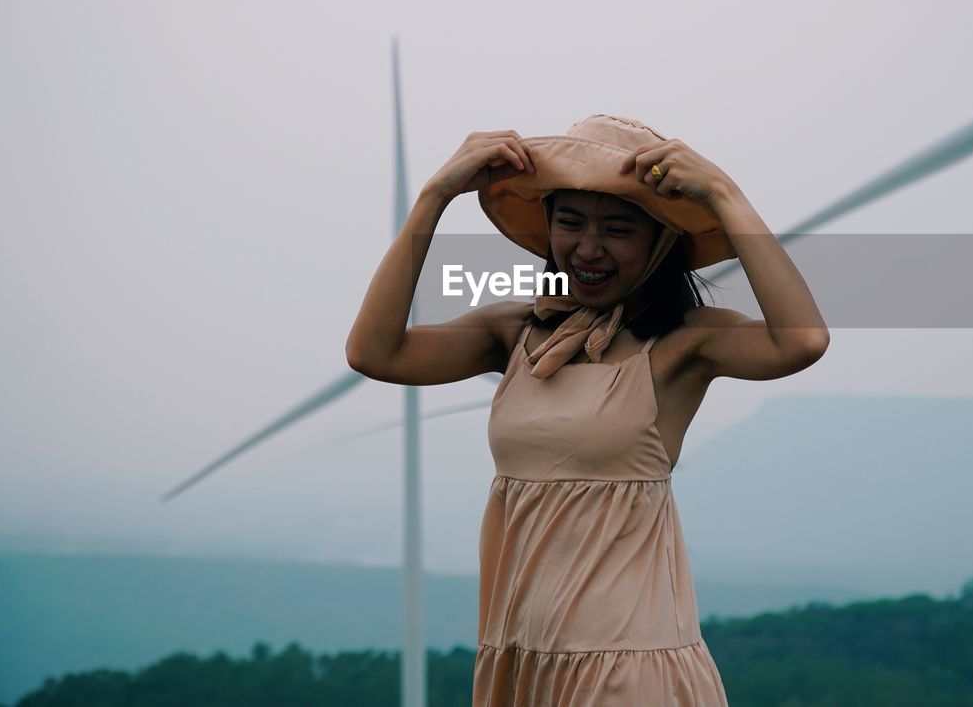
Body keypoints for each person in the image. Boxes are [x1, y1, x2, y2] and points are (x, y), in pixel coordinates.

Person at [346, 113, 829, 706]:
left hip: (627, 671)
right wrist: (433, 197)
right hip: (524, 662)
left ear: (661, 244)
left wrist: (723, 194)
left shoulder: (682, 342)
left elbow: (801, 341)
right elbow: (374, 352)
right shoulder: (516, 331)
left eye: (618, 229)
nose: (588, 248)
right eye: (569, 222)